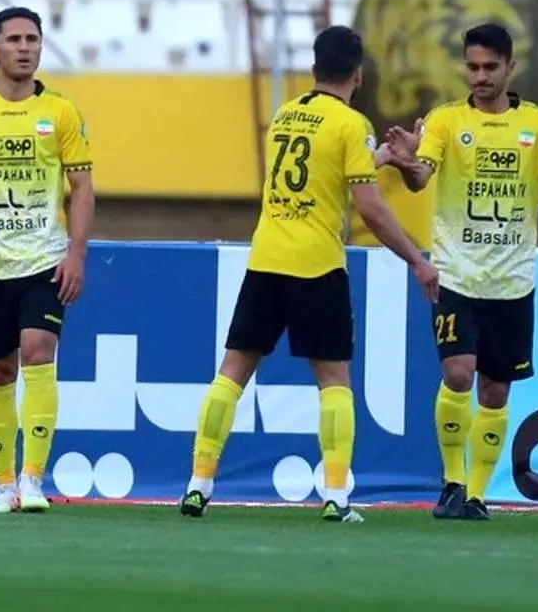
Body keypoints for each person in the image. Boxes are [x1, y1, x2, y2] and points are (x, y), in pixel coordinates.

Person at [178, 25, 439, 523]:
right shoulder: (351, 123)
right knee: (334, 380)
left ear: (314, 68)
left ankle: (197, 484)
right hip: (317, 265)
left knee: (232, 373)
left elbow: (321, 167)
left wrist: (381, 157)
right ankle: (337, 496)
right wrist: (417, 259)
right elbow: (370, 209)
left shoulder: (285, 114)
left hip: (266, 260)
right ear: (359, 75)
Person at [383, 23, 538, 521]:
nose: (480, 76)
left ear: (510, 67)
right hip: (456, 275)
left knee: (495, 390)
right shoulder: (446, 120)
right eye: (473, 67)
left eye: (490, 67)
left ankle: (475, 494)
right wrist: (406, 164)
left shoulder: (536, 123)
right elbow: (422, 177)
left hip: (512, 281)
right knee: (458, 373)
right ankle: (451, 483)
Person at [0, 6, 95, 514]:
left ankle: (32, 480)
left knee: (38, 350)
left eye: (32, 39)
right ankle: (3, 485)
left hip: (44, 259)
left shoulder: (62, 113)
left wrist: (76, 253)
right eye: (14, 40)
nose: (25, 48)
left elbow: (82, 187)